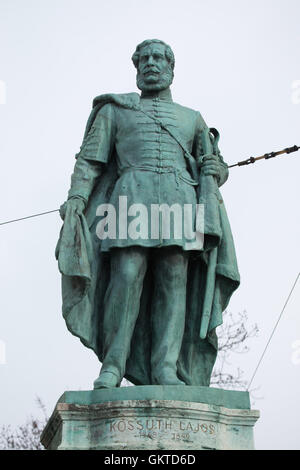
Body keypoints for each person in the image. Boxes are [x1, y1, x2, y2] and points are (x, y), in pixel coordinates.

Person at [57, 39, 240, 389]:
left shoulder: (192, 118)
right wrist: (78, 198)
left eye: (158, 58)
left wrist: (216, 169)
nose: (151, 64)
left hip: (180, 200)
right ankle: (113, 364)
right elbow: (89, 161)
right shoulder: (115, 111)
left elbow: (217, 167)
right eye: (144, 59)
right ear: (136, 67)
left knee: (174, 279)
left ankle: (166, 368)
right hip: (130, 199)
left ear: (172, 68)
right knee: (126, 275)